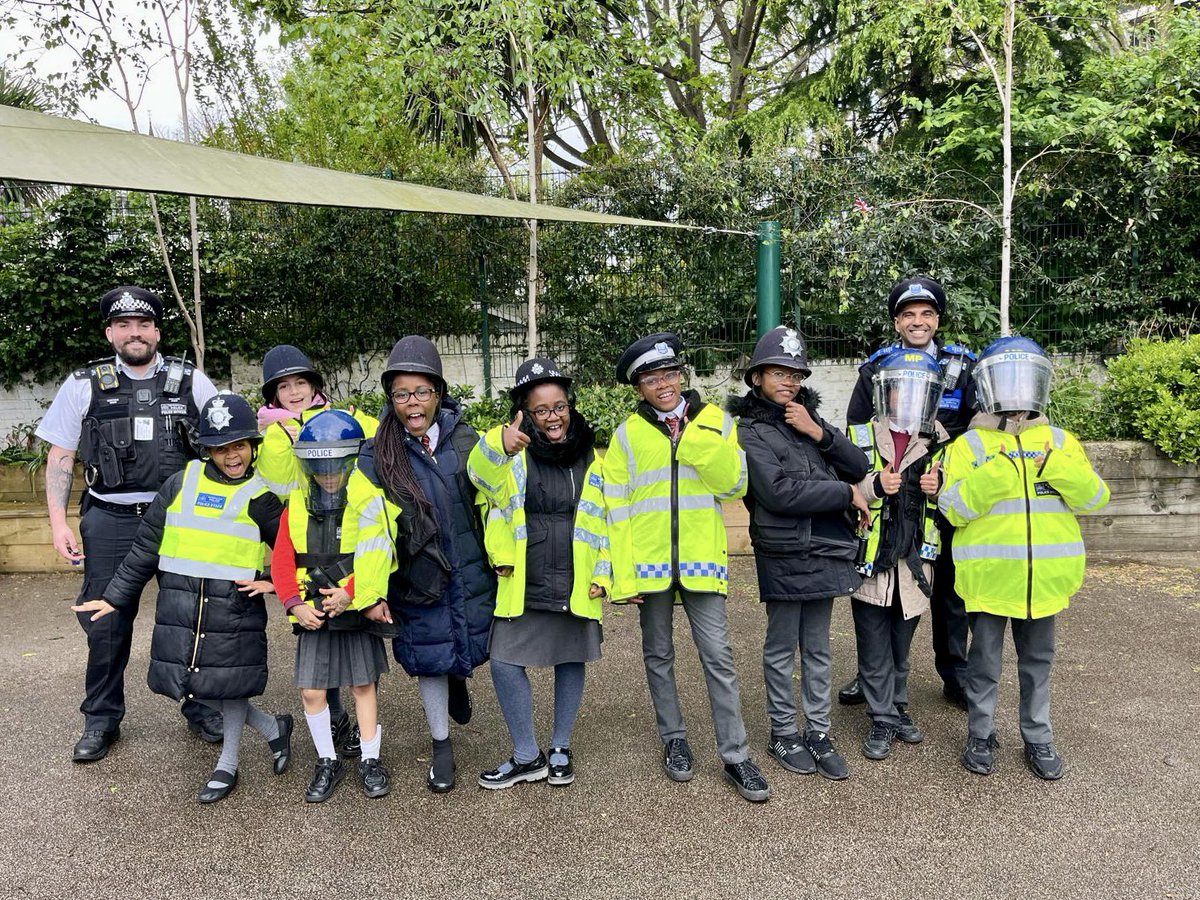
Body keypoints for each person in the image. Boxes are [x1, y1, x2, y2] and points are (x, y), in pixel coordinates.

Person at [72, 394, 292, 804]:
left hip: (234, 610)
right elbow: (145, 549)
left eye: (240, 446)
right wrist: (114, 598)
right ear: (207, 449)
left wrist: (274, 584)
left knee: (230, 687)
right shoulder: (180, 483)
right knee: (202, 686)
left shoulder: (261, 497)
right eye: (222, 448)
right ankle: (274, 728)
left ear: (252, 447)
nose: (232, 456)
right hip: (184, 610)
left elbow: (290, 552)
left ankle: (227, 765)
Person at [36, 285, 220, 762]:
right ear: (110, 332)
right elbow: (60, 456)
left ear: (157, 330)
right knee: (105, 622)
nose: (134, 333)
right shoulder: (83, 384)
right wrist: (58, 523)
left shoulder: (191, 381)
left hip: (180, 523)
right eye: (123, 325)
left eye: (143, 324)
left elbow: (223, 450)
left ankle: (200, 707)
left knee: (192, 617)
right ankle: (101, 719)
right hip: (110, 519)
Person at [603, 332, 769, 803]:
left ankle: (736, 756)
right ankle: (674, 739)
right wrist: (622, 574)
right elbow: (615, 508)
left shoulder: (715, 422)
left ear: (682, 376)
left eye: (669, 374)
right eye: (651, 379)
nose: (663, 384)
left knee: (718, 657)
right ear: (638, 387)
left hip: (701, 562)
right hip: (649, 567)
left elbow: (734, 484)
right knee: (658, 656)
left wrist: (695, 442)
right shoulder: (626, 436)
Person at [938, 336, 1109, 780]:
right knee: (984, 664)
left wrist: (1055, 465)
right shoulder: (969, 447)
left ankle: (1038, 736)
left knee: (1038, 665)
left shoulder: (1060, 441)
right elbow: (953, 507)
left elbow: (1095, 497)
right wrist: (1004, 464)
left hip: (1045, 582)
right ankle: (980, 733)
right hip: (990, 580)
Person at [347, 335, 496, 792]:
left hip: (467, 568)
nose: (413, 403)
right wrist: (370, 593)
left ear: (438, 393)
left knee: (466, 645)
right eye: (402, 394)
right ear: (391, 398)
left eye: (422, 392)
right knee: (429, 659)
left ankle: (458, 680)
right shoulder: (375, 455)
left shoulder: (466, 438)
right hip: (416, 578)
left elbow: (494, 499)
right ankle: (442, 746)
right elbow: (366, 527)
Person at [729, 326, 871, 782]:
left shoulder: (808, 420)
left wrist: (819, 434)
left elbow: (860, 464)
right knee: (780, 647)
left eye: (795, 373)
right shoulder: (749, 431)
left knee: (818, 647)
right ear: (757, 378)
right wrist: (847, 494)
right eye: (777, 372)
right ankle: (784, 731)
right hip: (785, 550)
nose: (788, 381)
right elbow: (779, 493)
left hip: (826, 546)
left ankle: (819, 731)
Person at [468, 358, 608, 789]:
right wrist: (501, 444)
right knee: (506, 662)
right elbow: (478, 475)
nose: (553, 417)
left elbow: (606, 518)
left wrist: (606, 573)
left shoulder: (590, 454)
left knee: (571, 657)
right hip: (523, 578)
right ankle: (527, 754)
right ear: (525, 412)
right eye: (542, 409)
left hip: (575, 577)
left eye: (559, 406)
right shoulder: (512, 452)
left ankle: (561, 747)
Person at [841, 275, 977, 709]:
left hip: (941, 488)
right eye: (908, 315)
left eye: (927, 314)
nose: (918, 322)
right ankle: (871, 680)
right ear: (897, 323)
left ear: (937, 320)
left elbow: (976, 428)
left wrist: (945, 469)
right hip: (890, 493)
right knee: (879, 587)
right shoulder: (876, 368)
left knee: (949, 588)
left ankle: (955, 675)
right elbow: (857, 431)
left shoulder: (962, 368)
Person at [255, 344, 379, 759]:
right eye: (283, 387)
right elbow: (277, 479)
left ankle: (361, 745)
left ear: (314, 385)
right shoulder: (274, 432)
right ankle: (332, 738)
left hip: (349, 529)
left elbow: (381, 441)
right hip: (306, 526)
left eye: (301, 383)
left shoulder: (345, 415)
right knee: (319, 675)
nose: (293, 392)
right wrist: (287, 436)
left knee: (359, 677)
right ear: (273, 395)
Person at [270, 410, 395, 802]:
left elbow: (381, 555)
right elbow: (281, 561)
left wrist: (351, 593)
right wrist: (293, 604)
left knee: (363, 685)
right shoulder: (295, 504)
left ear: (351, 460)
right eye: (318, 465)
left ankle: (370, 760)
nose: (327, 473)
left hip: (354, 611)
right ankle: (328, 759)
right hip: (313, 614)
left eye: (335, 464)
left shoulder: (370, 500)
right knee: (311, 692)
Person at [846, 349, 948, 762]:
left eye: (916, 391)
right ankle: (881, 716)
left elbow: (956, 505)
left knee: (901, 644)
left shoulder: (941, 442)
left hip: (915, 566)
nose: (905, 398)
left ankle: (898, 705)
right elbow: (841, 494)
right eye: (898, 390)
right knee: (872, 644)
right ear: (884, 394)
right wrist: (872, 486)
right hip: (871, 564)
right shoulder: (859, 437)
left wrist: (939, 491)